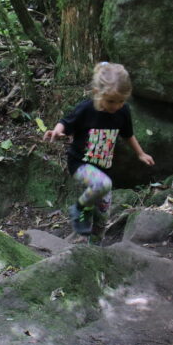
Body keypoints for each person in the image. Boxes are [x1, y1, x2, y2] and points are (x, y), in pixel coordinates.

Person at [44, 62, 155, 238]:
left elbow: (128, 134)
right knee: (102, 184)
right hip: (80, 164)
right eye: (111, 101)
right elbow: (66, 122)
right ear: (97, 92)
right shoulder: (86, 109)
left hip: (103, 169)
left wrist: (141, 153)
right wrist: (57, 131)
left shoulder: (123, 111)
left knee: (102, 217)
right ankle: (79, 208)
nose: (116, 106)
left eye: (121, 101)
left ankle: (95, 251)